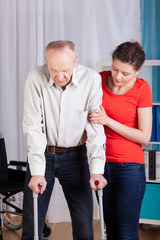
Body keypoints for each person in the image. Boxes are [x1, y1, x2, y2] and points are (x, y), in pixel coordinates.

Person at [22, 40, 107, 240]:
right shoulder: (36, 76)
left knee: (85, 229)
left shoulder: (91, 80)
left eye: (66, 71)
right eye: (54, 70)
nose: (60, 77)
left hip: (76, 157)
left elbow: (95, 128)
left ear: (76, 61)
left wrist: (97, 169)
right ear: (46, 62)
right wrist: (36, 172)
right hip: (43, 155)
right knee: (32, 228)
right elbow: (33, 127)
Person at [89, 41, 152, 240]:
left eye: (125, 73)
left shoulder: (142, 89)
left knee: (127, 232)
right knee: (111, 230)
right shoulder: (98, 80)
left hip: (130, 169)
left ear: (137, 71)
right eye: (115, 68)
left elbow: (144, 136)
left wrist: (108, 120)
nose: (117, 76)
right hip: (100, 165)